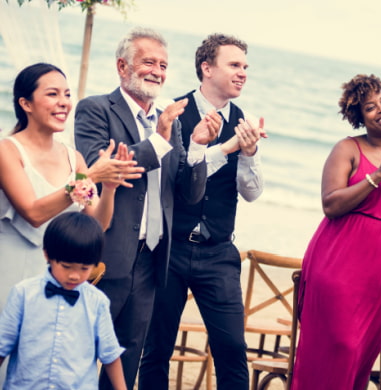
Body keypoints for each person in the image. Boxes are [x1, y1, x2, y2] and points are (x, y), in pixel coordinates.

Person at [74, 27, 219, 390]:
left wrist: (199, 148)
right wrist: (159, 139)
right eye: (149, 62)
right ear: (123, 66)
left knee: (125, 361)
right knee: (79, 354)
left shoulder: (170, 123)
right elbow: (100, 170)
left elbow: (187, 194)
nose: (157, 71)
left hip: (152, 261)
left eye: (164, 65)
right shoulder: (96, 109)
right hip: (105, 256)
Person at [138, 33, 265, 390]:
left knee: (232, 347)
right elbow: (176, 181)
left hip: (219, 252)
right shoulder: (171, 112)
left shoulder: (246, 121)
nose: (242, 73)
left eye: (245, 67)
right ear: (206, 68)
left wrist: (250, 153)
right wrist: (223, 148)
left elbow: (252, 193)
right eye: (234, 65)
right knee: (157, 346)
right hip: (169, 248)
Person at [0, 62, 140, 384]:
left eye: (67, 94)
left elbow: (97, 225)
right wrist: (90, 176)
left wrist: (110, 189)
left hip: (61, 273)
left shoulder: (72, 157)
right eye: (52, 94)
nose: (64, 102)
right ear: (26, 103)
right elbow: (33, 212)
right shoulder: (8, 150)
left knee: (50, 358)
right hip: (12, 267)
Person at [291, 74, 381, 389]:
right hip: (337, 264)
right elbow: (331, 204)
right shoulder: (348, 149)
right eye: (371, 107)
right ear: (360, 116)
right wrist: (379, 175)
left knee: (360, 355)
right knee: (340, 346)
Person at [0, 212, 126, 389]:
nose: (74, 275)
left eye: (84, 268)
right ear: (47, 255)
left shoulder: (97, 302)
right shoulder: (23, 294)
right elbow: (2, 345)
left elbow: (110, 354)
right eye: (66, 267)